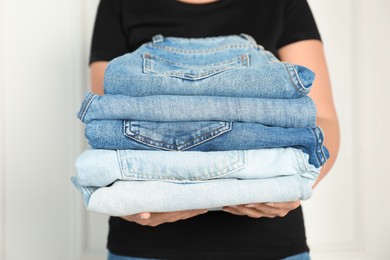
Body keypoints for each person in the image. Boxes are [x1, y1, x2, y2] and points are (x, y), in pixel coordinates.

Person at [88, 0, 340, 259]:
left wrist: (298, 186)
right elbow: (107, 120)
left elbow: (320, 118)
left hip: (270, 244)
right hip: (141, 245)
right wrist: (127, 203)